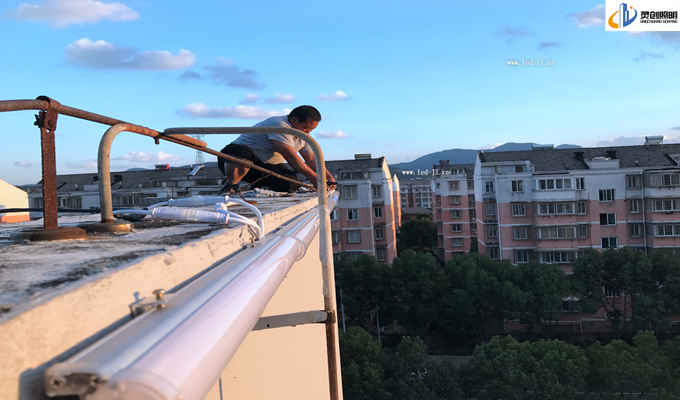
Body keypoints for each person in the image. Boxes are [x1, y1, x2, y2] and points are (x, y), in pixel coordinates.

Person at [217, 105, 337, 194]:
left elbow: (311, 158)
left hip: (263, 167)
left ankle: (258, 187)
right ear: (294, 120)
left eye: (311, 129)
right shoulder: (279, 125)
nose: (308, 132)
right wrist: (314, 177)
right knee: (242, 151)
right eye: (306, 128)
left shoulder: (303, 135)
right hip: (233, 158)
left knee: (291, 184)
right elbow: (290, 156)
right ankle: (231, 185)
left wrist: (329, 177)